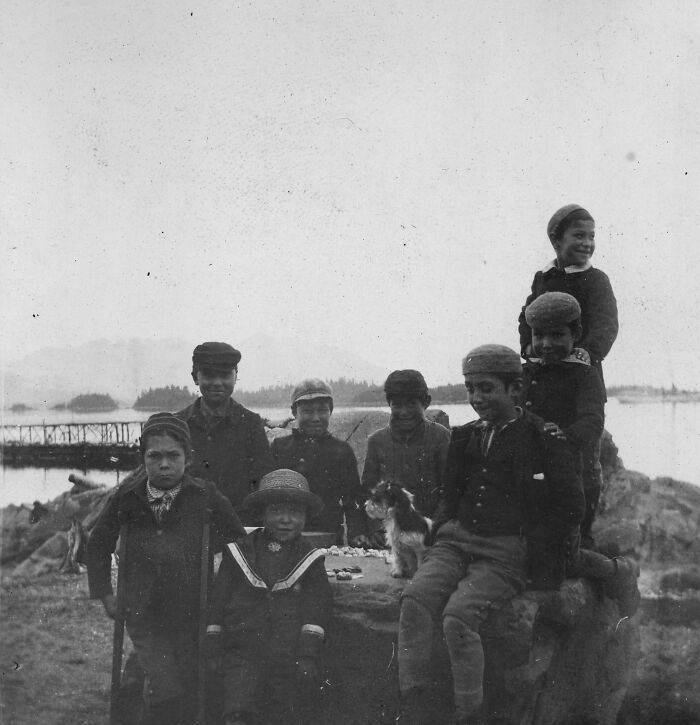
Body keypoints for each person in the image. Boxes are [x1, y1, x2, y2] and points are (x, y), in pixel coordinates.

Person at [397, 345, 585, 725]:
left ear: (516, 390)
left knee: (458, 617)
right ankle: (413, 704)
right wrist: (439, 532)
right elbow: (452, 495)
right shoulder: (465, 436)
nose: (476, 398)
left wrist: (530, 546)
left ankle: (469, 712)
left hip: (505, 550)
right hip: (455, 541)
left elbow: (570, 506)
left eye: (486, 388)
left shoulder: (543, 438)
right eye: (470, 389)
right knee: (414, 600)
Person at [86, 413, 246, 725]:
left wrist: (221, 587)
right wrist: (106, 595)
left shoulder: (205, 495)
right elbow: (97, 544)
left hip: (193, 609)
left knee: (190, 681)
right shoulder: (128, 496)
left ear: (189, 459)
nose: (163, 465)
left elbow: (238, 544)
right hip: (142, 610)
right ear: (141, 458)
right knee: (166, 686)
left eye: (173, 456)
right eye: (154, 456)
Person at [517, 204, 618, 551]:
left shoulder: (596, 279)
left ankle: (583, 532)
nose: (587, 243)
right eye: (579, 235)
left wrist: (585, 353)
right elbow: (526, 316)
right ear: (556, 240)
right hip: (544, 371)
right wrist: (529, 347)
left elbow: (606, 323)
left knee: (582, 460)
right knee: (540, 451)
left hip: (580, 370)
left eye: (591, 236)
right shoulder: (544, 278)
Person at [205, 469, 333, 725]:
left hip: (287, 656)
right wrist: (213, 648)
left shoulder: (311, 558)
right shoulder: (239, 552)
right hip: (241, 652)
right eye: (276, 511)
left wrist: (308, 656)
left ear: (306, 516)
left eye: (295, 512)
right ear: (262, 513)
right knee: (237, 709)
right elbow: (218, 601)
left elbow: (316, 608)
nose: (286, 519)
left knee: (282, 712)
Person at [520, 291, 607, 546]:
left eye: (556, 335)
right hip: (535, 469)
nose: (546, 344)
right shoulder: (526, 371)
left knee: (575, 539)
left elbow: (592, 420)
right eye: (539, 335)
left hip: (576, 471)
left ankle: (613, 571)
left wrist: (566, 436)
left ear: (576, 335)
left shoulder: (585, 375)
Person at [176, 341, 275, 520]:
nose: (217, 383)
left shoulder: (251, 424)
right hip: (188, 523)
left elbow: (263, 479)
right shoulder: (178, 424)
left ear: (236, 376)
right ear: (195, 377)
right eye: (209, 375)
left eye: (225, 375)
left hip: (239, 524)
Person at [270, 378, 367, 545]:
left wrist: (356, 533)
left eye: (322, 410)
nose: (316, 418)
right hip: (284, 535)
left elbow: (352, 500)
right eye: (307, 411)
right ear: (294, 413)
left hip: (328, 535)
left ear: (331, 411)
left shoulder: (342, 451)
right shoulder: (279, 448)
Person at [362, 370, 450, 521]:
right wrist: (378, 529)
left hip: (432, 530)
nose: (404, 412)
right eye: (397, 405)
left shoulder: (441, 437)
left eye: (411, 404)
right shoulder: (376, 441)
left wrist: (433, 528)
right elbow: (368, 491)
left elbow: (449, 492)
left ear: (426, 402)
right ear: (388, 404)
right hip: (388, 531)